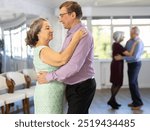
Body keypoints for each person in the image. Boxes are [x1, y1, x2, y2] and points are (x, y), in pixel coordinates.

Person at [37, 1, 96, 114]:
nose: (60, 19)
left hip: (81, 86)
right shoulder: (71, 34)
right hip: (72, 86)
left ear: (73, 15)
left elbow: (74, 66)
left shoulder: (83, 34)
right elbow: (63, 58)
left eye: (62, 15)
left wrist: (49, 76)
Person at [25, 18, 86, 114]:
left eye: (51, 27)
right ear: (38, 33)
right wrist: (76, 39)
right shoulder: (43, 50)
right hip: (48, 96)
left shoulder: (47, 49)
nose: (51, 30)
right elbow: (62, 59)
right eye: (47, 28)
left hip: (53, 95)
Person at [115, 27, 144, 110]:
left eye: (132, 33)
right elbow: (127, 53)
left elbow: (134, 57)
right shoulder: (129, 41)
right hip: (130, 64)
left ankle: (138, 103)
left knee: (132, 83)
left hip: (135, 64)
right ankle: (135, 101)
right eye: (130, 33)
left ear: (136, 33)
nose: (130, 34)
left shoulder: (139, 42)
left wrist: (122, 58)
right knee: (133, 83)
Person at [108, 31, 138, 109]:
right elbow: (130, 54)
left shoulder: (115, 44)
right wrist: (134, 44)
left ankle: (113, 101)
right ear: (119, 37)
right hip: (117, 66)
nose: (124, 37)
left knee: (115, 83)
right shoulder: (118, 46)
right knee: (118, 83)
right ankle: (111, 100)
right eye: (123, 36)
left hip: (115, 64)